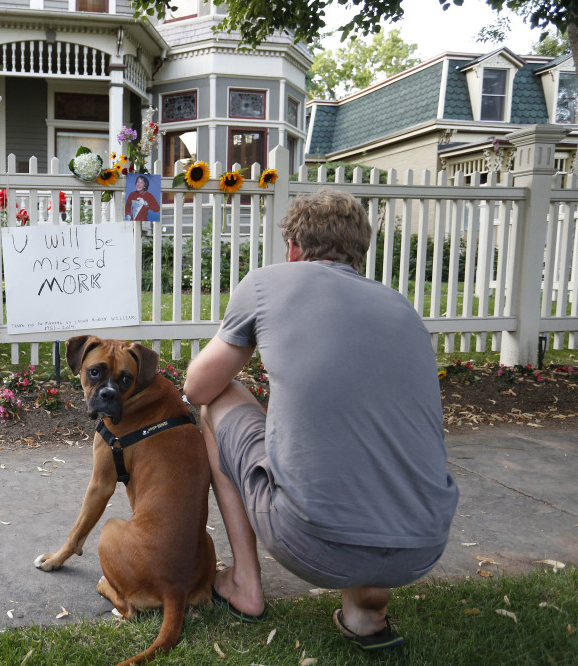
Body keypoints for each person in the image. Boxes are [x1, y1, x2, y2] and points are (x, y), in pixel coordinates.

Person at [183, 188, 458, 651]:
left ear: (293, 247)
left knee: (217, 401)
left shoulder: (266, 283)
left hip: (313, 545)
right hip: (422, 545)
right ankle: (368, 609)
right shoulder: (402, 308)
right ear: (359, 253)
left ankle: (245, 584)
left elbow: (196, 387)